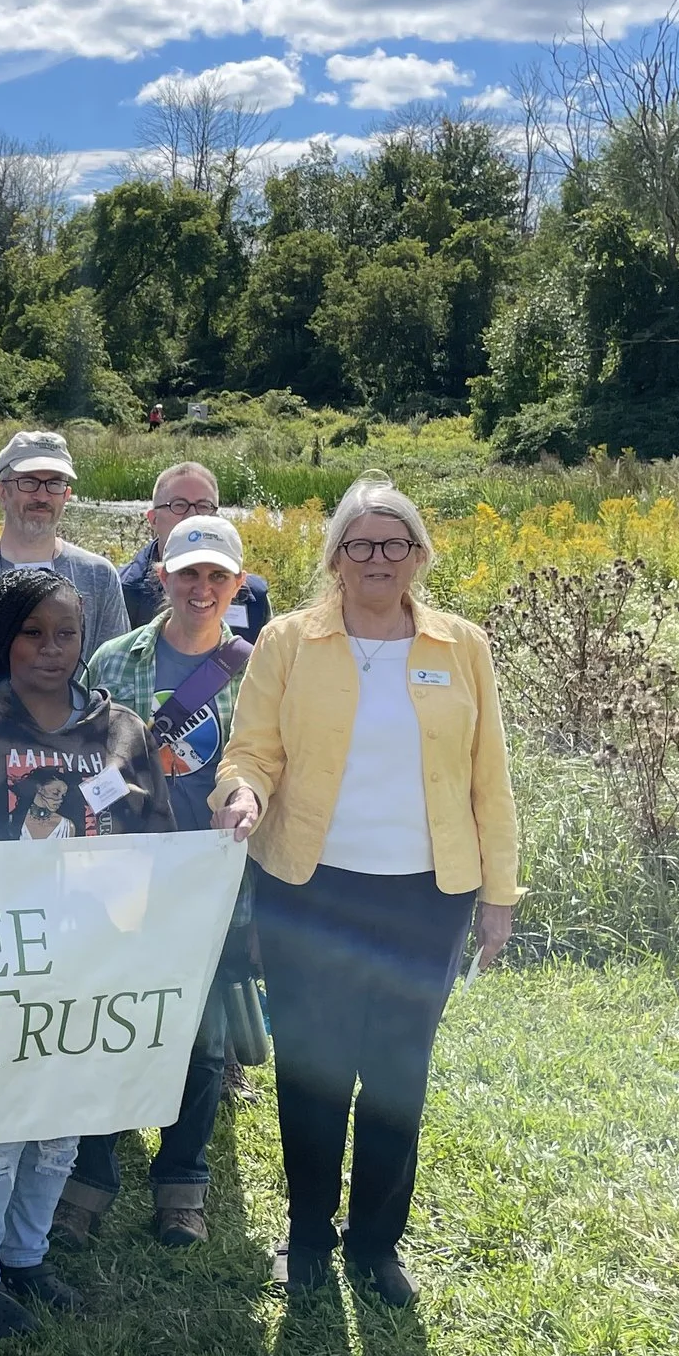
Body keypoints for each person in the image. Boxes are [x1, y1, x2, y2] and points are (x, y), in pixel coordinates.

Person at [212, 477, 519, 1308]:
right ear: (335, 558)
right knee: (312, 1072)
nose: (377, 558)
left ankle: (376, 1244)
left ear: (419, 555)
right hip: (308, 891)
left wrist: (500, 891)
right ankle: (308, 1235)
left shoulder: (463, 647)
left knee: (395, 1075)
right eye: (360, 544)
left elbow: (491, 778)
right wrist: (241, 794)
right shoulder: (287, 641)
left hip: (427, 898)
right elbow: (251, 751)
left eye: (394, 544)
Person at [0, 568, 174, 1338]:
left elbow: (158, 842)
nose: (51, 650)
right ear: (4, 638)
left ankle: (28, 1253)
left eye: (66, 633)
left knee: (61, 1123)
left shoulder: (121, 730)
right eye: (33, 633)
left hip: (92, 959)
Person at [69, 513, 256, 1248]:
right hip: (124, 873)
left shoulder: (259, 667)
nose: (201, 588)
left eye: (217, 576)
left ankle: (182, 1187)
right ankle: (90, 1178)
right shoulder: (113, 661)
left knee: (203, 1038)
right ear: (160, 576)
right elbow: (79, 757)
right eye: (188, 573)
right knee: (110, 1024)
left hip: (213, 881)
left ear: (237, 584)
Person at [0, 430, 127, 684]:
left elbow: (112, 676)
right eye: (29, 482)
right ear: (1, 493)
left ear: (66, 495)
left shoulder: (99, 576)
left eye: (54, 483)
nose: (42, 496)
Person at [117, 461, 272, 641]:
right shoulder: (122, 590)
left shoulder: (253, 597)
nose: (192, 516)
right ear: (153, 519)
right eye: (179, 505)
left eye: (204, 506)